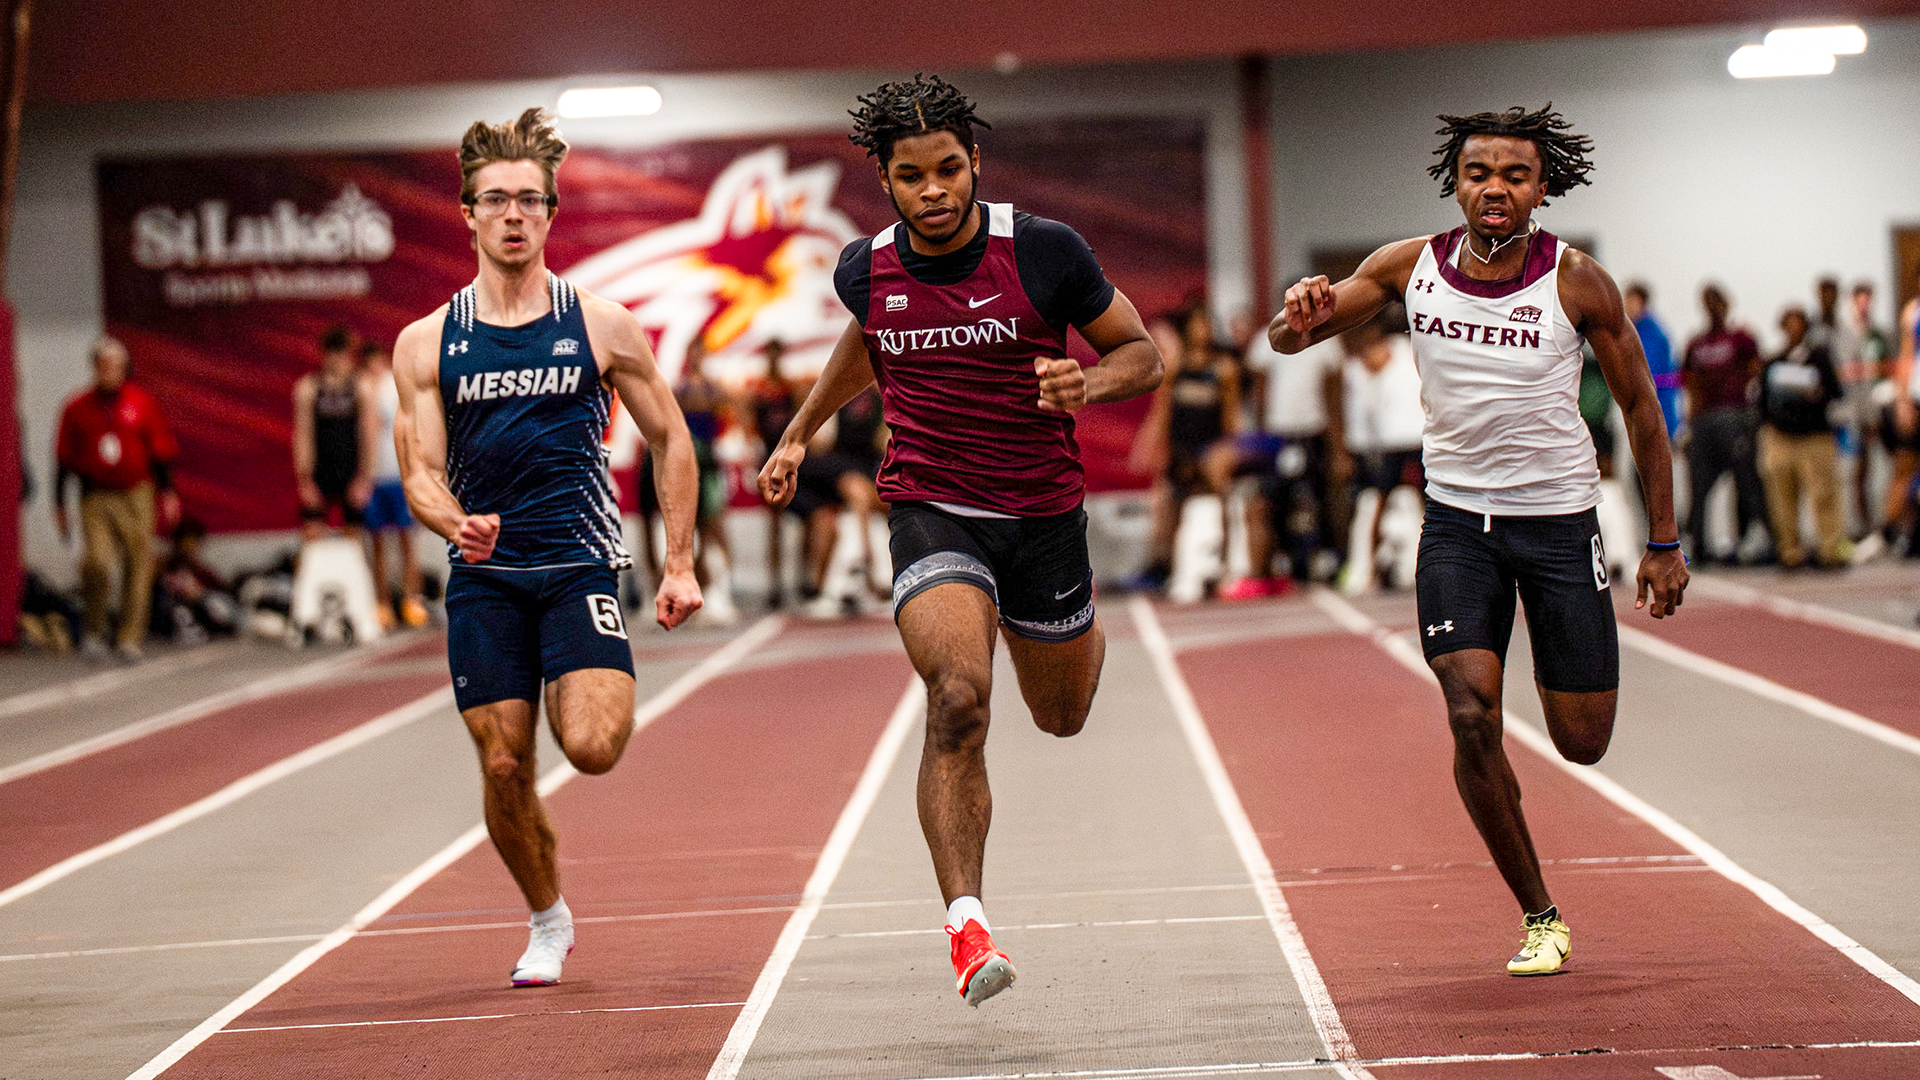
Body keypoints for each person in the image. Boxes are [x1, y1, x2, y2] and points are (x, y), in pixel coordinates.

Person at [758, 75, 1163, 1006]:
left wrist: (1088, 386)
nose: (934, 190)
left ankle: (1064, 625)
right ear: (887, 184)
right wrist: (799, 431)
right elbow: (870, 340)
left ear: (975, 163)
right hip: (932, 505)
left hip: (1045, 516)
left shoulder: (1047, 251)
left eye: (949, 169)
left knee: (1061, 716)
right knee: (958, 699)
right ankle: (968, 929)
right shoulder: (865, 266)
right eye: (912, 176)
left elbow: (1144, 352)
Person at [1269, 105, 1686, 975]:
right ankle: (1540, 913)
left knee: (1583, 741)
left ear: (1542, 187)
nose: (1495, 188)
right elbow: (1290, 336)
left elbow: (1643, 410)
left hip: (1561, 526)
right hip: (1458, 526)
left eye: (1515, 175)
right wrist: (1297, 310)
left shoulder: (1578, 283)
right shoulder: (1404, 267)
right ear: (1455, 183)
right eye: (1478, 173)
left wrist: (1664, 541)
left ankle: (1562, 732)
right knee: (1470, 715)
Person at [391, 108, 703, 989]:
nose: (514, 215)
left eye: (530, 200)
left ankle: (580, 689)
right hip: (485, 578)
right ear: (468, 213)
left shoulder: (601, 326)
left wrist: (678, 562)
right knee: (501, 760)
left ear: (552, 212)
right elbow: (417, 473)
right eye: (496, 200)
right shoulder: (426, 343)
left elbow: (672, 439)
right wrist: (456, 522)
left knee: (595, 746)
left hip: (577, 566)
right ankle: (547, 919)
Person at [54, 335, 181, 662]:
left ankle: (128, 637)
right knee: (97, 562)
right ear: (94, 367)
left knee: (138, 564)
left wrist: (167, 491)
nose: (109, 371)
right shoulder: (77, 407)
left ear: (125, 369)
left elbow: (160, 451)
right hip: (95, 494)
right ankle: (94, 631)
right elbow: (64, 460)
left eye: (116, 366)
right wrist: (59, 504)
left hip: (136, 492)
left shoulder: (141, 402)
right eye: (103, 365)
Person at [1223, 315, 1344, 596]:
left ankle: (1321, 559)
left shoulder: (1327, 340)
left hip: (1314, 431)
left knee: (1316, 499)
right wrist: (1262, 436)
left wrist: (1337, 443)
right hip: (1278, 433)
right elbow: (1260, 387)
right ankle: (1280, 562)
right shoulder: (1268, 339)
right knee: (1275, 499)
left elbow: (1333, 390)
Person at [1132, 305, 1241, 593]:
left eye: (1205, 324)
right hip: (1182, 447)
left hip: (1211, 448)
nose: (1201, 331)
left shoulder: (1223, 369)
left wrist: (1229, 449)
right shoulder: (1176, 368)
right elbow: (1163, 412)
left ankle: (1226, 564)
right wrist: (1157, 447)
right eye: (1196, 324)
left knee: (1223, 501)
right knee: (1168, 503)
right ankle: (1163, 565)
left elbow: (1231, 416)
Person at [1680, 285, 1770, 564]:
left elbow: (1758, 370)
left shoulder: (1741, 338)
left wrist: (1752, 410)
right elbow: (1691, 385)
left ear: (1725, 304)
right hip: (1706, 421)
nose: (1712, 308)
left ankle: (1757, 540)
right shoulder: (1696, 343)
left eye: (1715, 302)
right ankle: (1699, 545)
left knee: (1747, 484)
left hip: (1736, 417)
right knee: (1699, 486)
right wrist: (1689, 424)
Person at [1756, 306, 1846, 569]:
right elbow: (1761, 401)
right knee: (1782, 499)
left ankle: (1830, 549)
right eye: (1788, 324)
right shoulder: (1774, 361)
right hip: (1781, 437)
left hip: (1814, 436)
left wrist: (1815, 393)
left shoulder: (1819, 357)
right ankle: (1790, 551)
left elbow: (1836, 392)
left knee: (1824, 495)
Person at [359, 341, 429, 628]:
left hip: (398, 475)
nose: (372, 368)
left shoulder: (395, 386)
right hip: (373, 478)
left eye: (376, 361)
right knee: (376, 543)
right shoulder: (361, 388)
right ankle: (382, 603)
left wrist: (415, 469)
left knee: (406, 540)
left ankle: (412, 600)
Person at [293, 325, 373, 539]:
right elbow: (303, 435)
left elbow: (369, 435)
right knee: (311, 535)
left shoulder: (361, 387)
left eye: (341, 354)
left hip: (351, 472)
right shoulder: (308, 387)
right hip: (320, 472)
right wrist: (305, 480)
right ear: (323, 354)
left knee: (354, 538)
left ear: (349, 354)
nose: (336, 360)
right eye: (331, 353)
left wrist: (365, 478)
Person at [743, 339, 801, 605]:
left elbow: (801, 422)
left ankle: (799, 578)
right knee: (775, 522)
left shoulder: (789, 388)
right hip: (769, 457)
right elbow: (749, 424)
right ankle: (775, 581)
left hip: (790, 459)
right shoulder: (760, 391)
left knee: (801, 518)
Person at [1624, 282, 1680, 438]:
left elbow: (1645, 373)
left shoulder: (1651, 333)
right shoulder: (1636, 330)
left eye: (1629, 300)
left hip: (1658, 410)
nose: (1625, 305)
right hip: (1647, 410)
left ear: (1639, 301)